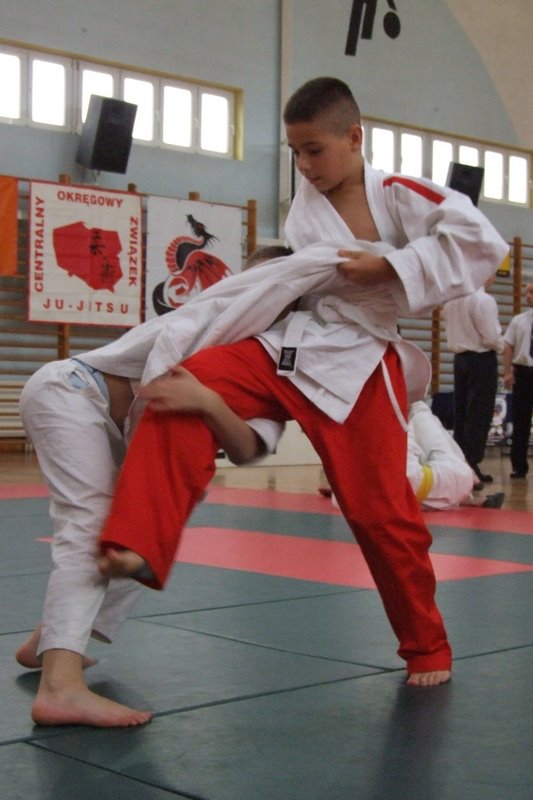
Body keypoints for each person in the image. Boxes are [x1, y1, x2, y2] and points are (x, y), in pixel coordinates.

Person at [96, 76, 508, 690]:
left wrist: (391, 264)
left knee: (380, 513)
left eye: (315, 150)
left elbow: (482, 242)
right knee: (188, 382)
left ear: (355, 137)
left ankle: (427, 647)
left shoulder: (397, 193)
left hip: (361, 359)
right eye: (295, 153)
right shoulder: (303, 208)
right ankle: (140, 540)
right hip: (295, 343)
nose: (305, 165)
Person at [16, 271, 284, 728]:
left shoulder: (281, 367)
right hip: (74, 392)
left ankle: (48, 642)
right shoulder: (217, 320)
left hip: (117, 427)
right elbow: (159, 387)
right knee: (91, 524)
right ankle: (60, 686)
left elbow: (247, 448)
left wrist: (209, 404)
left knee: (139, 537)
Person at [321, 400, 505, 510]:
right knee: (420, 411)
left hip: (429, 493)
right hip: (453, 477)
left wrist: (340, 489)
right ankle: (472, 478)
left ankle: (472, 492)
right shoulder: (393, 436)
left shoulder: (350, 497)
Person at [442, 275, 504, 488]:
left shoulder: (452, 299)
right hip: (481, 359)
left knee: (462, 412)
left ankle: (462, 462)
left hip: (460, 359)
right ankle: (471, 463)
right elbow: (491, 338)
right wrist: (503, 346)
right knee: (479, 412)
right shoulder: (483, 300)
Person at [502, 282, 533, 478]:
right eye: (527, 292)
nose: (528, 296)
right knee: (521, 421)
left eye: (532, 292)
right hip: (523, 372)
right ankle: (518, 465)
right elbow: (508, 346)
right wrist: (507, 372)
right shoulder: (519, 320)